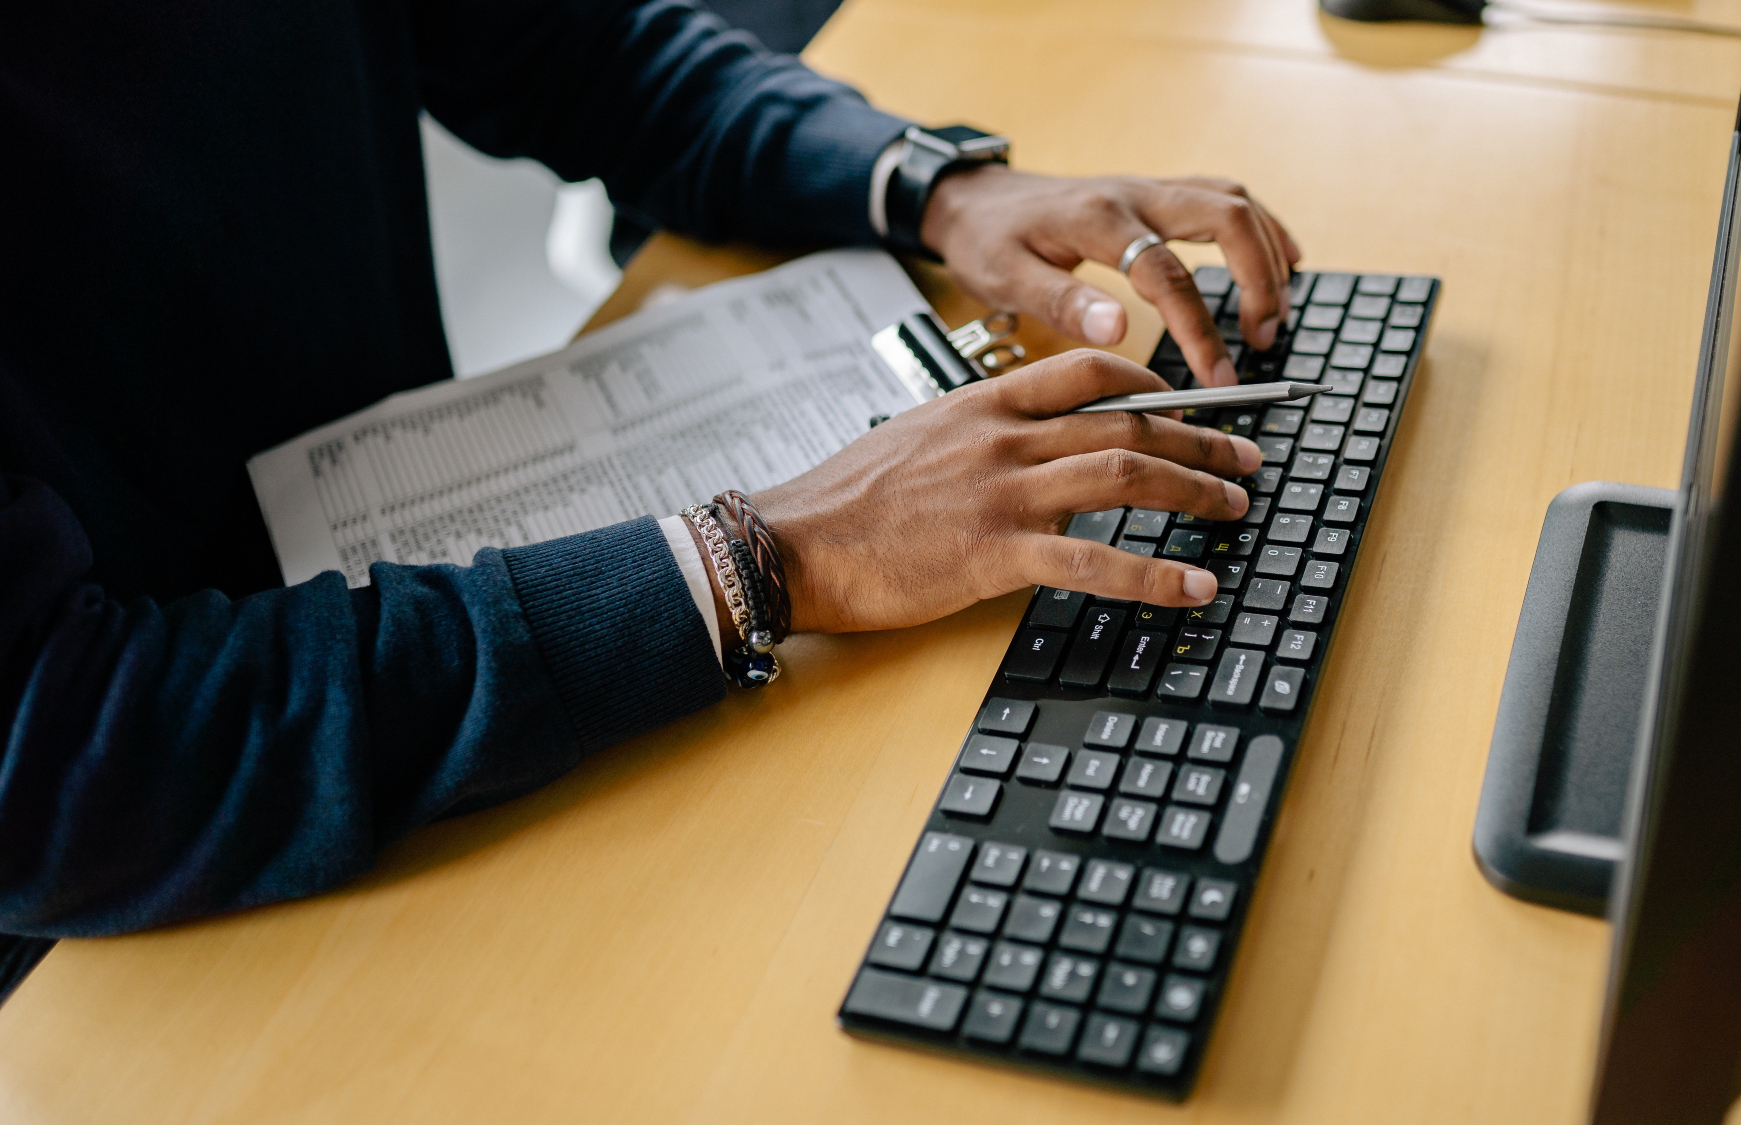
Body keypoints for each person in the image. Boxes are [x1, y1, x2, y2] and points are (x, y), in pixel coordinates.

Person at [0, 0, 1301, 961]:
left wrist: (933, 188)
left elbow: (571, 48)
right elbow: (50, 761)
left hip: (439, 647)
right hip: (163, 911)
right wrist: (777, 553)